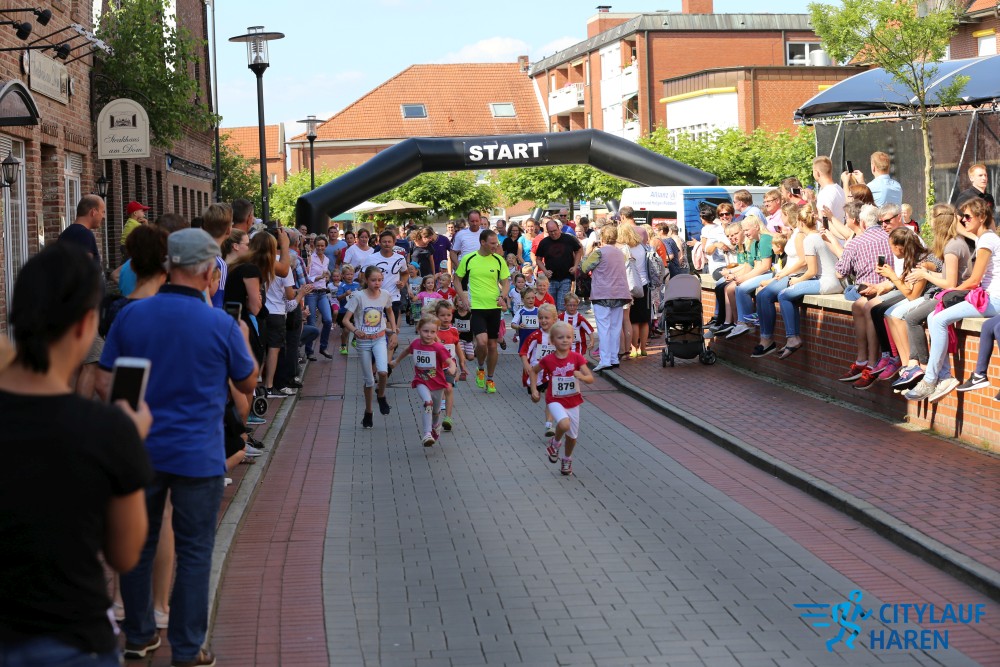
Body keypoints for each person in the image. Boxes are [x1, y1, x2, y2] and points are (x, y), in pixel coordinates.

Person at [97, 228, 258, 667]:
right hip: (197, 454)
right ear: (208, 272)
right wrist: (242, 338)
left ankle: (138, 635)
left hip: (141, 449)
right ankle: (187, 648)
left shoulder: (132, 315)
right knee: (195, 551)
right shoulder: (220, 323)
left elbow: (107, 383)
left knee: (139, 544)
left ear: (169, 267)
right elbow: (247, 382)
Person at [0, 242, 153, 667]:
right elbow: (125, 553)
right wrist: (132, 444)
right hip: (72, 637)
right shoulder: (106, 430)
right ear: (87, 325)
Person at [906, 198, 1000, 402]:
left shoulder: (986, 240)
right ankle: (942, 376)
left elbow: (974, 280)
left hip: (994, 300)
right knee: (933, 316)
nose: (963, 220)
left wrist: (951, 292)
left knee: (938, 318)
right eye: (961, 217)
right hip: (988, 297)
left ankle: (931, 379)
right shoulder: (985, 237)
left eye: (967, 217)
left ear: (981, 217)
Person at [891, 205, 972, 391]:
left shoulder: (952, 247)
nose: (930, 224)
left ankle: (924, 368)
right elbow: (947, 278)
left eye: (932, 220)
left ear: (939, 222)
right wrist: (924, 273)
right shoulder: (953, 243)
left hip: (955, 296)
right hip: (952, 294)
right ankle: (918, 366)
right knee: (913, 316)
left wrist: (925, 274)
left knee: (912, 318)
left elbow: (950, 283)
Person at [773, 205, 842, 359]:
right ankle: (792, 337)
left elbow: (811, 271)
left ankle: (793, 338)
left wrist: (797, 280)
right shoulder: (823, 234)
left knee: (783, 295)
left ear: (801, 223)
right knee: (790, 293)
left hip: (826, 282)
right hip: (835, 281)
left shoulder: (809, 239)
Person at [529, 320, 595, 477]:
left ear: (572, 339)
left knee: (572, 437)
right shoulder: (548, 359)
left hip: (573, 401)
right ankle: (555, 442)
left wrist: (581, 376)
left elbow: (590, 378)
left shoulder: (577, 358)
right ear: (552, 341)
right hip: (555, 400)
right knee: (564, 424)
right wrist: (534, 390)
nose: (565, 340)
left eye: (568, 337)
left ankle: (566, 459)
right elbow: (533, 371)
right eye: (560, 337)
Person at [59, 194, 106, 399]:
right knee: (92, 364)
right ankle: (79, 411)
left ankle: (66, 409)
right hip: (84, 310)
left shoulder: (68, 234)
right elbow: (83, 272)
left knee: (76, 365)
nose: (103, 216)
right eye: (102, 212)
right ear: (93, 212)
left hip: (72, 308)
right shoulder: (83, 235)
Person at [455, 229, 510, 394]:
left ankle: (490, 379)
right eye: (492, 243)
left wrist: (503, 296)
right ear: (483, 242)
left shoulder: (499, 260)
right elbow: (456, 280)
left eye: (496, 243)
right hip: (477, 307)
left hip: (494, 307)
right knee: (481, 342)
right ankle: (480, 368)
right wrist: (463, 298)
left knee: (493, 345)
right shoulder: (469, 259)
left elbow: (506, 282)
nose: (496, 246)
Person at [342, 266, 398, 427]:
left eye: (380, 280)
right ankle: (368, 412)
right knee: (369, 381)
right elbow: (345, 320)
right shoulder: (358, 296)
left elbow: (390, 312)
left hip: (379, 338)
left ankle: (381, 396)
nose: (377, 283)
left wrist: (393, 331)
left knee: (383, 371)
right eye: (373, 280)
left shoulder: (385, 294)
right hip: (364, 341)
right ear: (366, 280)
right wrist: (355, 330)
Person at [390, 313, 456, 446]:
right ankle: (427, 434)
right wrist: (396, 361)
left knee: (436, 411)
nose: (429, 335)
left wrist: (453, 368)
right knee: (428, 403)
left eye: (432, 332)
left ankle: (435, 425)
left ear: (436, 332)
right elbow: (406, 351)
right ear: (418, 329)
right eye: (425, 331)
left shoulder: (438, 347)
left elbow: (450, 361)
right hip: (421, 381)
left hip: (437, 383)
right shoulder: (416, 344)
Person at [581, 225, 631, 371]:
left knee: (604, 327)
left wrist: (588, 253)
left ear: (602, 237)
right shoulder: (620, 253)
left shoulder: (599, 253)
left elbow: (584, 267)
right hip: (619, 293)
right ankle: (614, 358)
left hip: (602, 293)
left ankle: (605, 360)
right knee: (615, 327)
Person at [535, 218, 584, 312]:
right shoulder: (544, 242)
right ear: (547, 231)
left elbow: (578, 251)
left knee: (561, 307)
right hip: (551, 278)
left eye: (555, 230)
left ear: (559, 228)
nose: (553, 233)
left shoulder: (568, 239)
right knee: (551, 306)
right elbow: (538, 259)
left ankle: (560, 320)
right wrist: (545, 271)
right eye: (550, 232)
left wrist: (575, 266)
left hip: (566, 276)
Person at [433, 299, 465, 432]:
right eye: (442, 315)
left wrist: (462, 362)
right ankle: (434, 418)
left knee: (449, 388)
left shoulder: (453, 330)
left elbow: (457, 346)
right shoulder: (433, 331)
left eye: (449, 315)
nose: (446, 318)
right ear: (436, 316)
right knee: (436, 393)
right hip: (435, 367)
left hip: (449, 366)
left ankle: (448, 418)